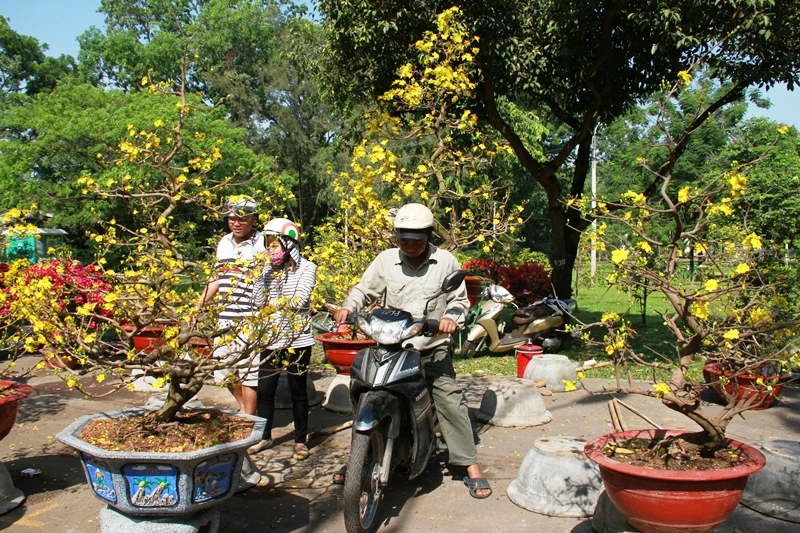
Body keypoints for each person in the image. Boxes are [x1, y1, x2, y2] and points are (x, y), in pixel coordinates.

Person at [331, 203, 492, 499]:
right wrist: (348, 308)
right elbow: (364, 290)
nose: (410, 246)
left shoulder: (445, 261)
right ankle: (358, 457)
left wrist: (450, 319)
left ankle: (470, 465)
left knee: (449, 401)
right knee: (363, 390)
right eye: (403, 240)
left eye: (416, 240)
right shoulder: (385, 260)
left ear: (429, 236)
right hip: (391, 346)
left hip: (430, 349)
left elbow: (459, 301)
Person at [247, 217, 318, 461]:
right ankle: (265, 436)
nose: (270, 250)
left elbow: (300, 301)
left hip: (297, 339)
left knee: (299, 391)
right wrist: (258, 276)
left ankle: (300, 440)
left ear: (289, 245)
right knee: (266, 390)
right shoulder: (267, 270)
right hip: (270, 338)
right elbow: (257, 302)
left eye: (274, 245)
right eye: (268, 245)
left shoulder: (308, 268)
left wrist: (274, 303)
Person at [196, 196, 264, 416]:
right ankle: (244, 409)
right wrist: (198, 305)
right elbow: (217, 277)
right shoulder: (224, 243)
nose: (236, 223)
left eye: (242, 218)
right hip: (226, 317)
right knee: (224, 371)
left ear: (253, 219)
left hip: (251, 318)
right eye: (232, 218)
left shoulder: (262, 243)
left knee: (248, 375)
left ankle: (249, 421)